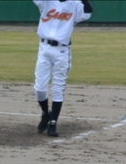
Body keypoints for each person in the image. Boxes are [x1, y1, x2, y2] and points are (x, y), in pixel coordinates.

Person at [33, 0, 93, 137]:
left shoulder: (75, 4)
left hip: (62, 51)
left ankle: (53, 123)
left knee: (58, 88)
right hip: (44, 49)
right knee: (39, 89)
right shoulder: (47, 2)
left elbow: (89, 11)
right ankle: (46, 113)